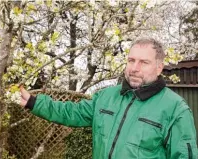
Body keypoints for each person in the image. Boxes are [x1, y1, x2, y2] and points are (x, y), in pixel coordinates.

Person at [20, 38, 198, 159]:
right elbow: (71, 112)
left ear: (159, 68)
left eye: (144, 62)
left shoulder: (175, 109)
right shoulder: (106, 96)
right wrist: (33, 102)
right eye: (131, 60)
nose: (134, 68)